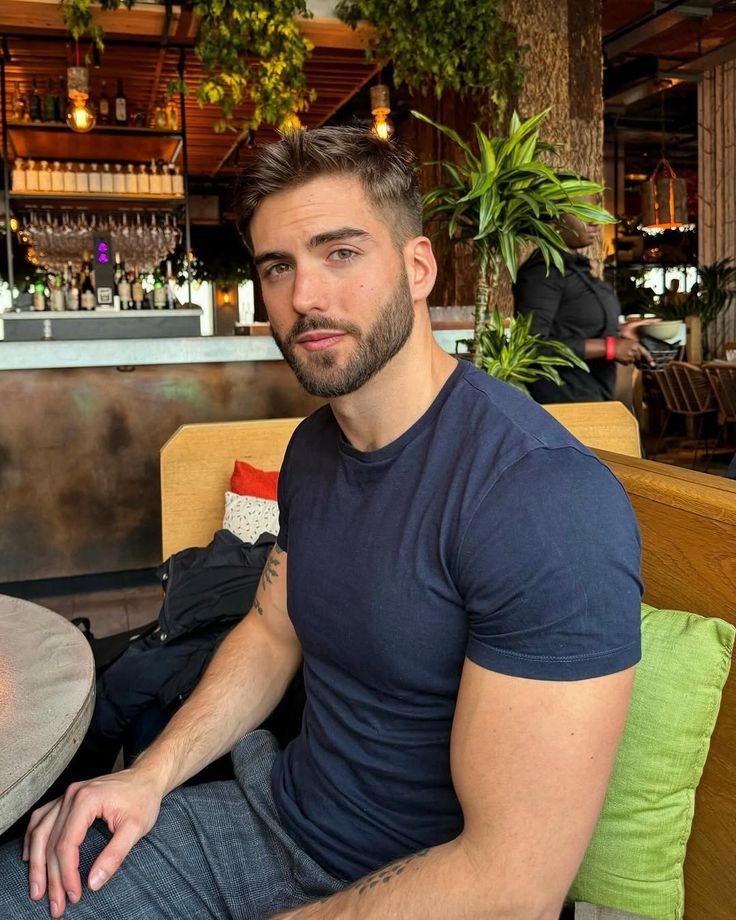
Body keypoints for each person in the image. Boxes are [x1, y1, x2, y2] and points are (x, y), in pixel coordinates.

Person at [0, 127, 643, 919]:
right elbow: (272, 633)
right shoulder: (313, 447)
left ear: (417, 268)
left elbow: (513, 888)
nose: (305, 296)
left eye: (340, 253)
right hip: (274, 818)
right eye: (279, 266)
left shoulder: (540, 498)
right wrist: (147, 776)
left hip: (430, 890)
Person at [513, 206, 656, 404]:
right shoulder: (542, 272)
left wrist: (620, 332)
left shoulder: (574, 268)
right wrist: (609, 347)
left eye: (593, 211)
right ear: (554, 218)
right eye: (581, 212)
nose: (594, 221)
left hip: (593, 394)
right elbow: (532, 346)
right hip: (566, 401)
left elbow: (573, 327)